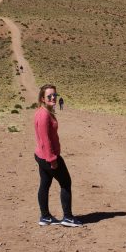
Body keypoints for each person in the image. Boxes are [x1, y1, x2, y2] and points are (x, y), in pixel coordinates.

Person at [34, 84, 82, 227]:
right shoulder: (43, 115)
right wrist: (52, 159)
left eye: (55, 95)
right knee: (66, 183)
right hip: (48, 156)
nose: (53, 98)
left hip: (41, 155)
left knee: (45, 184)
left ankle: (45, 217)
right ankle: (67, 218)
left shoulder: (42, 111)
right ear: (43, 98)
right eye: (49, 96)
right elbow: (45, 139)